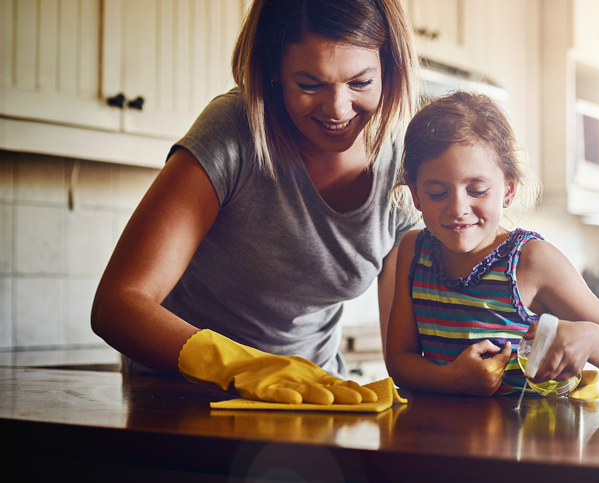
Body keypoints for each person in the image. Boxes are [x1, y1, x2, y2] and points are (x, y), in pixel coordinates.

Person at [91, 0, 419, 405]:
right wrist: (239, 366)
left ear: (390, 70)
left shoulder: (405, 164)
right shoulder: (235, 129)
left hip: (314, 402)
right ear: (274, 74)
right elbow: (117, 305)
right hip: (186, 401)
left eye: (360, 83)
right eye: (309, 84)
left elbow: (403, 352)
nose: (337, 109)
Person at [385, 92, 599, 397]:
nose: (457, 208)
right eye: (438, 193)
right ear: (415, 195)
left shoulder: (531, 261)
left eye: (477, 190)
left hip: (527, 440)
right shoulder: (415, 251)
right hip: (441, 440)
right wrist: (451, 378)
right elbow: (399, 361)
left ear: (508, 190)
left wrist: (587, 336)